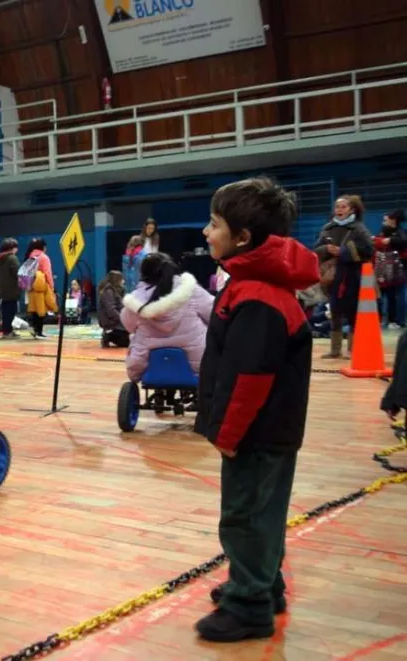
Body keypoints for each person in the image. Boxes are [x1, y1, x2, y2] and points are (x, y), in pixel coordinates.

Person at [194, 177, 319, 643]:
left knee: (245, 517)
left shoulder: (259, 296)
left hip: (256, 433)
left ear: (243, 237)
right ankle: (265, 584)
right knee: (263, 512)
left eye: (214, 224)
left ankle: (249, 607)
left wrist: (227, 433)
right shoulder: (251, 284)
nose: (206, 232)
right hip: (267, 431)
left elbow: (250, 377)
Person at [120, 254, 213, 381]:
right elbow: (213, 314)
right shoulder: (192, 291)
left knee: (134, 339)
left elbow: (128, 326)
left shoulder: (135, 299)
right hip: (197, 363)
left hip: (147, 363)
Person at [314, 195, 373, 359]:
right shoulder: (327, 228)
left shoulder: (359, 229)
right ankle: (335, 350)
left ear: (352, 209)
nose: (339, 210)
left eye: (343, 206)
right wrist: (327, 249)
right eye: (337, 207)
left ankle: (352, 350)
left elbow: (368, 250)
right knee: (335, 310)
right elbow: (316, 248)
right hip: (333, 277)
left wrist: (344, 251)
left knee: (353, 311)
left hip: (352, 275)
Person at [374, 209, 407, 328]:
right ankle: (389, 320)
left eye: (386, 219)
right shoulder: (384, 232)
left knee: (399, 295)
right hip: (385, 271)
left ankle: (399, 321)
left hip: (399, 269)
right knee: (389, 296)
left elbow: (403, 241)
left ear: (393, 220)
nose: (383, 221)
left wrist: (391, 240)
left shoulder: (400, 232)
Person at [24, 237, 55, 340]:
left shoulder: (30, 256)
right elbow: (47, 273)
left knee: (34, 309)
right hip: (41, 288)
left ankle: (35, 330)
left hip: (31, 288)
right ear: (43, 247)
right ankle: (39, 332)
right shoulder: (43, 257)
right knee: (42, 309)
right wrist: (51, 285)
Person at [0, 238, 21, 338]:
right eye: (15, 247)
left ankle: (6, 331)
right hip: (12, 289)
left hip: (3, 289)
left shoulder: (0, 259)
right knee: (12, 310)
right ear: (11, 248)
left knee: (6, 311)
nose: (17, 249)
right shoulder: (12, 258)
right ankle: (8, 331)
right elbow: (17, 273)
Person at [97, 271, 129, 348]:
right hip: (112, 324)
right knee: (128, 342)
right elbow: (111, 311)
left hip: (119, 323)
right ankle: (108, 335)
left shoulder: (118, 291)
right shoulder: (108, 292)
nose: (123, 281)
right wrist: (124, 319)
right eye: (122, 279)